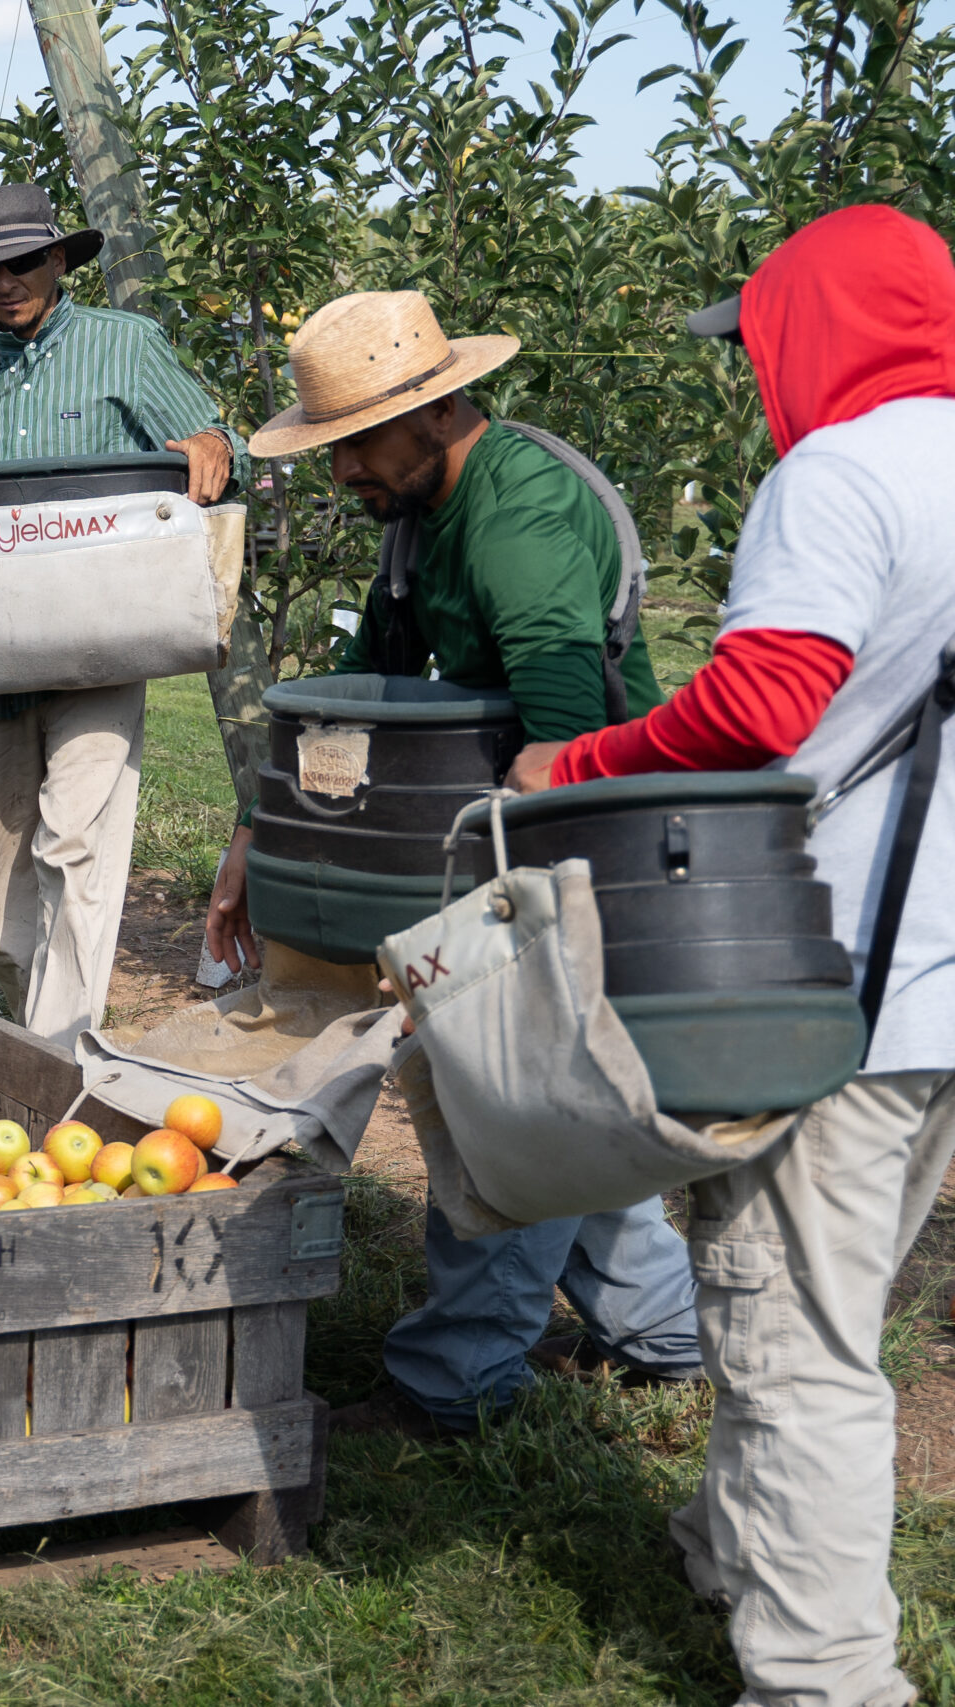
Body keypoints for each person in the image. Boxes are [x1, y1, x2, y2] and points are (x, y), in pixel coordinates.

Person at [509, 206, 955, 1707]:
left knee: (795, 1346)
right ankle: (733, 1543)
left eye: (758, 337)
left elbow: (766, 697)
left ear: (808, 329)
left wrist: (587, 765)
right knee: (825, 1302)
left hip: (818, 982)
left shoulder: (840, 472)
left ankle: (827, 1676)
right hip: (941, 974)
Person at [210, 288, 701, 1437]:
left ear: (434, 415)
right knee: (571, 1105)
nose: (341, 475)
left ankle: (456, 1381)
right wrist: (258, 835)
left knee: (508, 1094)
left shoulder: (512, 512)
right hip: (511, 818)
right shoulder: (415, 520)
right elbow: (368, 699)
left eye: (356, 447)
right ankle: (665, 1330)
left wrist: (497, 926)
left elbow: (567, 727)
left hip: (579, 828)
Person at [0, 183, 240, 1045]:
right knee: (4, 906)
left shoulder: (125, 349)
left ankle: (60, 1059)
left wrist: (213, 445)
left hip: (100, 650)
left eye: (18, 263)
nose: (3, 282)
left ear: (57, 258)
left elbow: (212, 440)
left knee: (77, 847)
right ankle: (35, 1030)